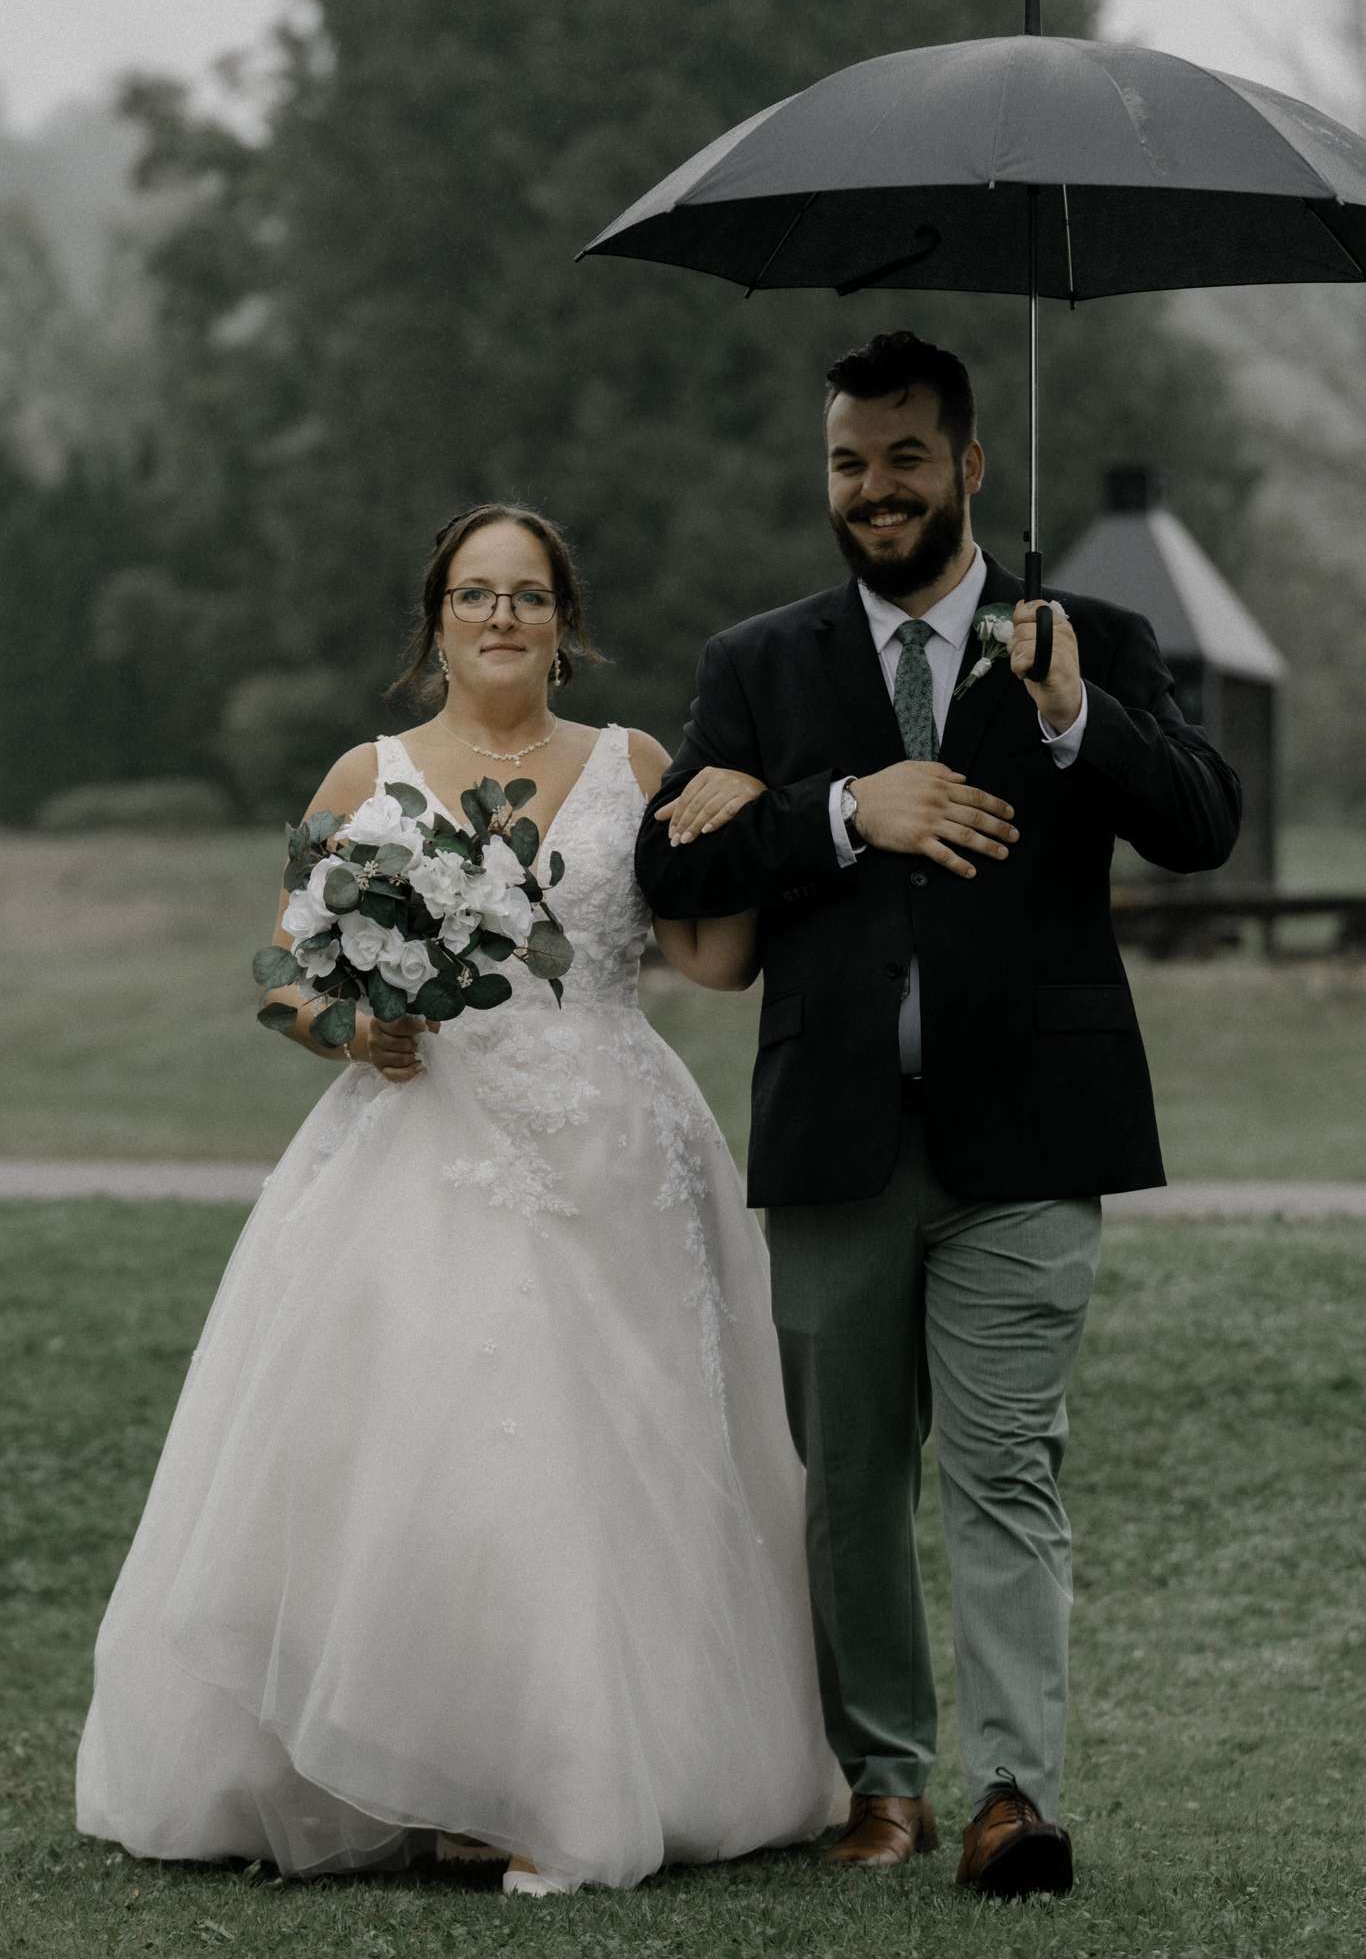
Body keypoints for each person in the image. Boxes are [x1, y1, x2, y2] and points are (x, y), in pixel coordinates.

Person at [76, 503, 834, 1897]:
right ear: (435, 619)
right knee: (440, 1454)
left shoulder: (636, 765)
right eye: (476, 594)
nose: (502, 617)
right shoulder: (366, 776)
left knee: (609, 1461)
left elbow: (711, 961)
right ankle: (417, 1765)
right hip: (422, 1139)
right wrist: (354, 1032)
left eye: (528, 595)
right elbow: (285, 975)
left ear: (565, 621)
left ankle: (577, 1769)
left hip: (617, 1149)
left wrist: (752, 826)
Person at [635, 330, 1241, 1899]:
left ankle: (1012, 1797)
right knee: (846, 1483)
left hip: (1030, 1138)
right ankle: (884, 1782)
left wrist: (1074, 718)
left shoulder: (1089, 638)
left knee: (1005, 1468)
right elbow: (670, 868)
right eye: (847, 462)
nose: (874, 488)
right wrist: (846, 810)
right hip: (833, 1137)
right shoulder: (758, 665)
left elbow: (1201, 824)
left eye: (904, 457)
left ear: (968, 465)